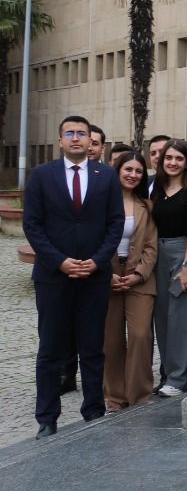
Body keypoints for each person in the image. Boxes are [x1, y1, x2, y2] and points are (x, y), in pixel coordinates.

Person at [24, 117, 124, 438]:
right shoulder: (41, 175)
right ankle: (47, 418)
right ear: (60, 140)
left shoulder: (106, 176)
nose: (76, 138)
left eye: (82, 133)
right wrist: (60, 262)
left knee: (92, 348)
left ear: (91, 140)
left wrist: (97, 261)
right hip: (53, 277)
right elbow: (32, 225)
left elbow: (115, 223)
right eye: (70, 133)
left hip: (94, 276)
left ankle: (93, 411)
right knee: (50, 348)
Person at [103, 151, 157, 411]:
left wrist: (138, 274)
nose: (133, 175)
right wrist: (106, 273)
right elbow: (93, 240)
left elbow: (151, 245)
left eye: (138, 171)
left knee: (140, 334)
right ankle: (115, 396)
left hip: (140, 279)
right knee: (111, 340)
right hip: (107, 277)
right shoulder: (101, 203)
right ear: (117, 171)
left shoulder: (147, 206)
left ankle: (140, 395)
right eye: (128, 169)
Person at [150, 140, 187, 397]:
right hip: (157, 255)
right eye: (168, 158)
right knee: (162, 318)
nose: (173, 162)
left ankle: (181, 378)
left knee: (182, 318)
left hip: (182, 253)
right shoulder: (156, 189)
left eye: (179, 158)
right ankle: (171, 374)